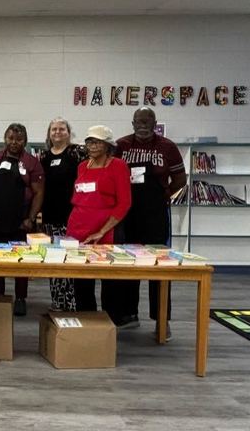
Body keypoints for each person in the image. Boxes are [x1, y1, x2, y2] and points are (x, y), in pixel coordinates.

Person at [115, 107, 187, 337]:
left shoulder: (167, 146)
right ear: (133, 122)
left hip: (156, 216)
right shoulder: (121, 145)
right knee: (128, 265)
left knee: (159, 267)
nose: (143, 125)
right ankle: (127, 314)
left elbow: (180, 179)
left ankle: (161, 320)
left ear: (155, 122)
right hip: (128, 215)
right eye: (139, 121)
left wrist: (163, 195)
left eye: (148, 121)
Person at [66, 125, 131, 315]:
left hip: (106, 231)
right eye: (89, 142)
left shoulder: (118, 166)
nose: (92, 146)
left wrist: (102, 230)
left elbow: (124, 203)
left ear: (107, 145)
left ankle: (109, 324)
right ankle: (88, 322)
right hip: (78, 230)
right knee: (81, 282)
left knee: (110, 281)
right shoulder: (81, 166)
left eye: (97, 142)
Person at [0, 123, 44, 317]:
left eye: (19, 139)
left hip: (21, 219)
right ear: (5, 139)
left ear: (25, 140)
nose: (14, 142)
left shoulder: (32, 163)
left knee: (20, 261)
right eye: (10, 138)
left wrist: (31, 218)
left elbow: (39, 192)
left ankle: (20, 298)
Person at [40, 117, 87, 311]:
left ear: (69, 132)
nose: (57, 132)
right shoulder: (43, 156)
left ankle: (73, 302)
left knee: (70, 258)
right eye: (54, 129)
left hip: (72, 216)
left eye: (61, 129)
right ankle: (58, 301)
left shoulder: (77, 152)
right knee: (54, 259)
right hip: (50, 216)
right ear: (49, 134)